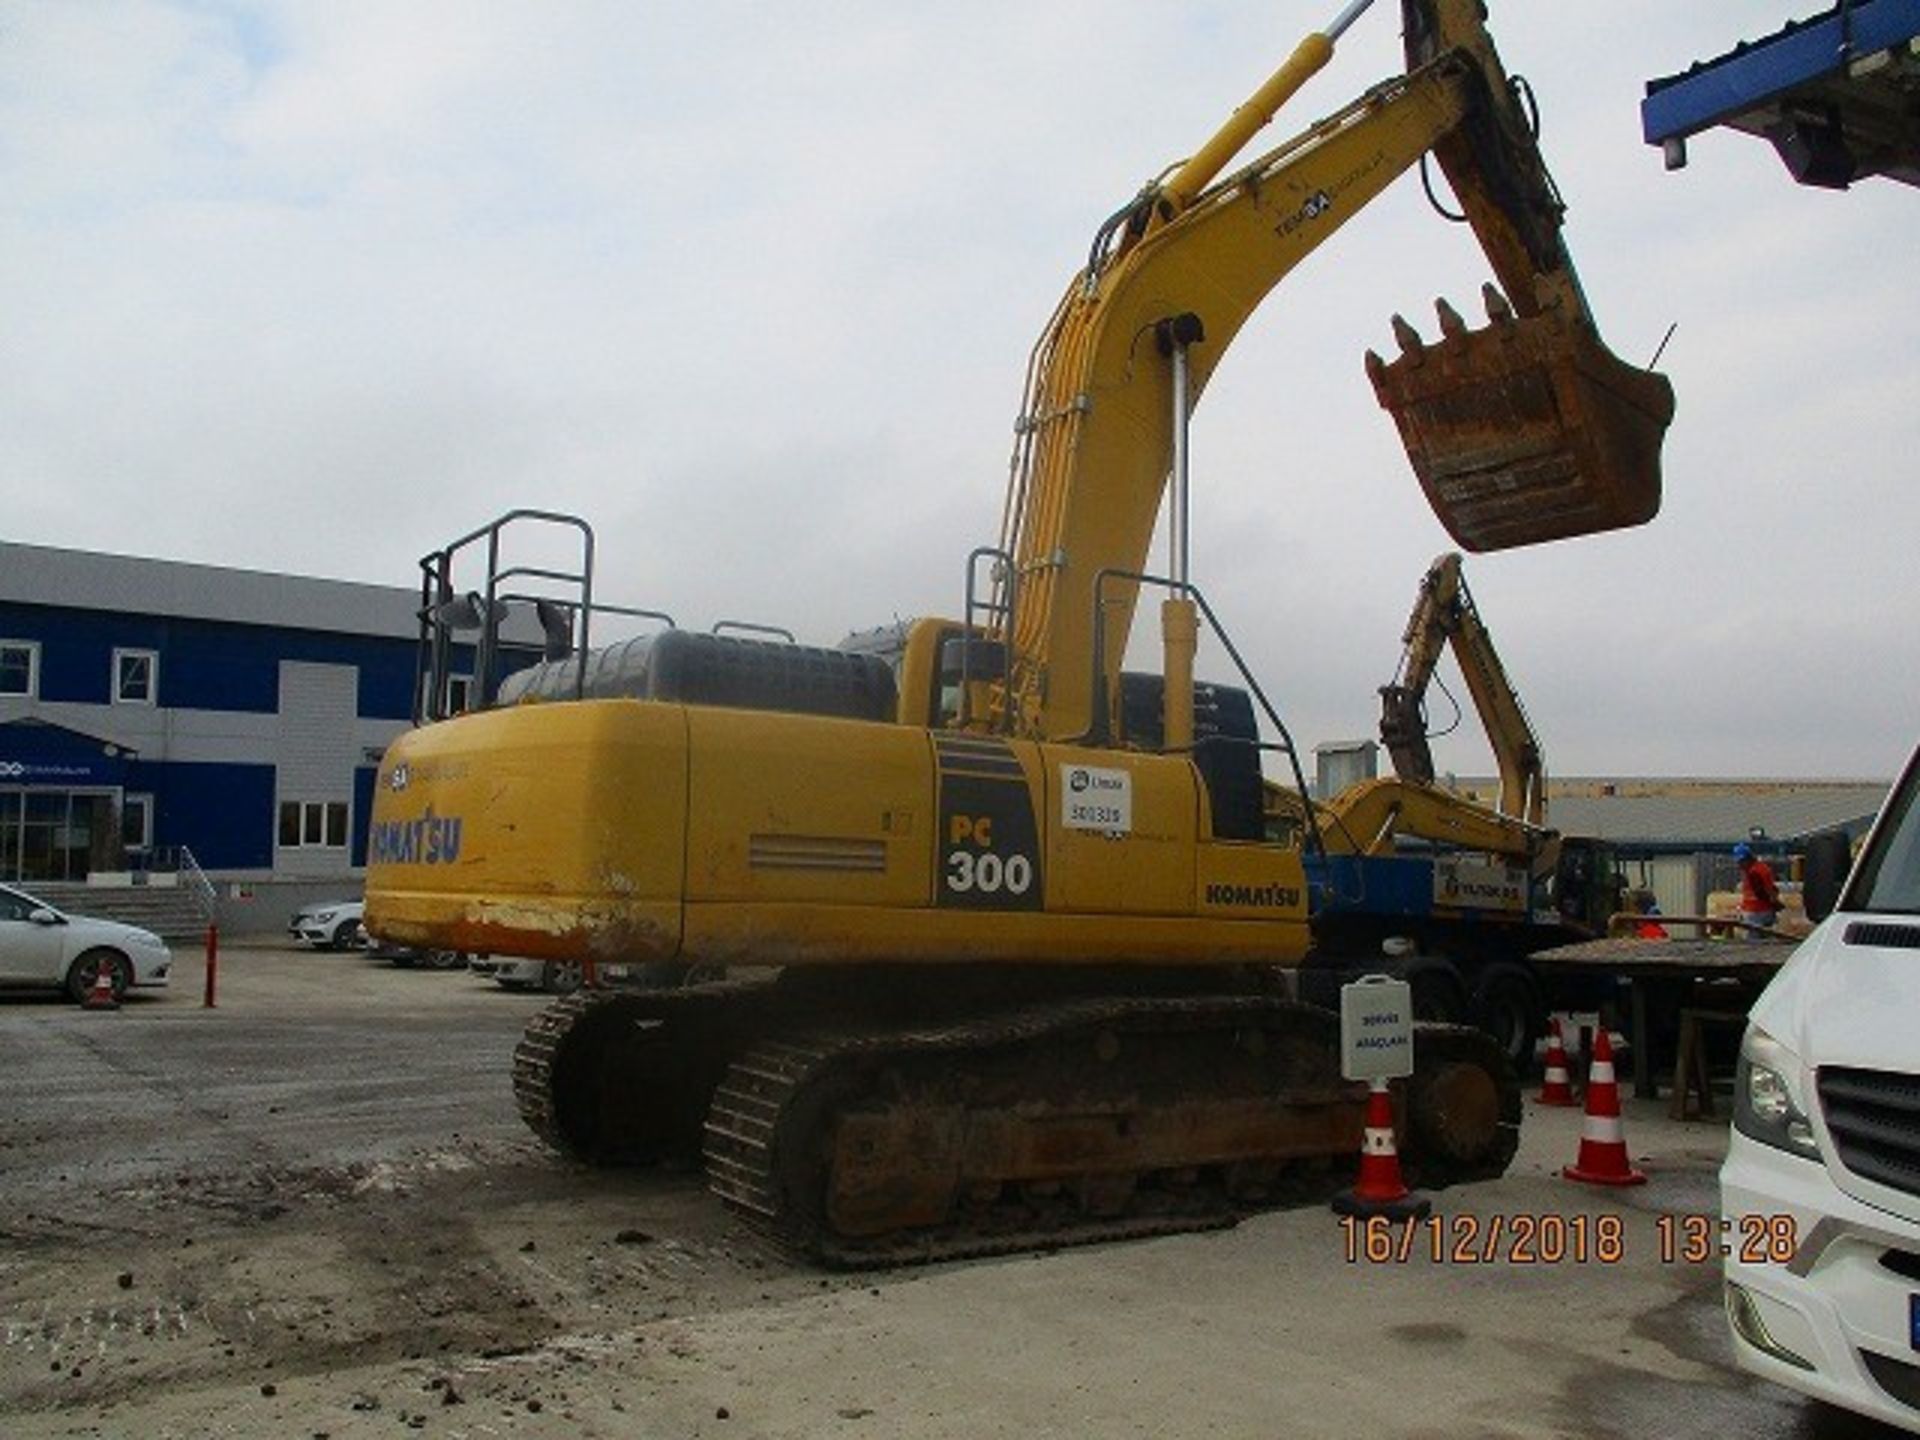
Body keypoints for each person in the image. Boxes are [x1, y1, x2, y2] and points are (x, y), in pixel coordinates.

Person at [1733, 842, 1781, 933]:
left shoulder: (1754, 872)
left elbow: (1761, 892)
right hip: (1764, 911)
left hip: (1756, 913)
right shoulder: (1761, 868)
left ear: (1747, 859)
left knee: (1753, 943)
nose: (1739, 865)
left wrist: (1773, 903)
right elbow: (1772, 888)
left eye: (1740, 862)